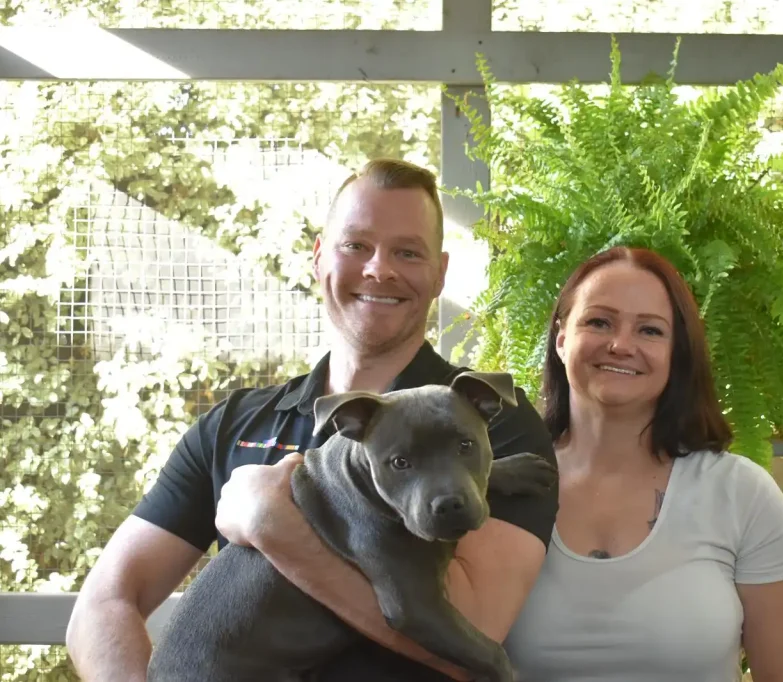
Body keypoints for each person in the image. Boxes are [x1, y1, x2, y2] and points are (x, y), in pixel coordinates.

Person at [65, 158, 559, 682]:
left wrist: (273, 526)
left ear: (439, 273)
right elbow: (105, 602)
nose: (379, 269)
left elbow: (470, 627)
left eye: (407, 252)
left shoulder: (490, 420)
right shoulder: (233, 425)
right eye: (356, 246)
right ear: (319, 257)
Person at [501, 246, 783, 682]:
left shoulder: (743, 496)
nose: (621, 345)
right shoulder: (498, 487)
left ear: (678, 355)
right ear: (561, 338)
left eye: (650, 331)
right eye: (599, 321)